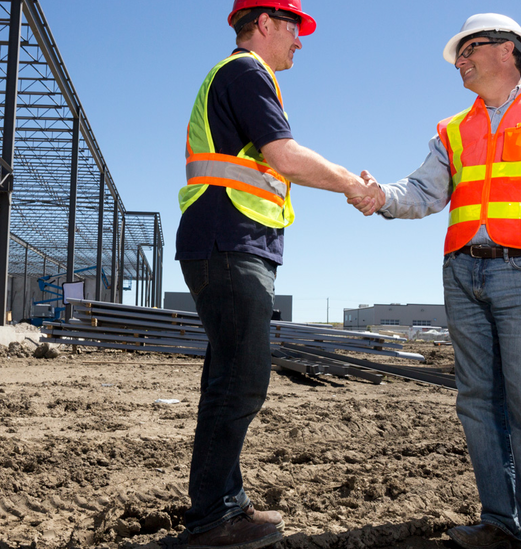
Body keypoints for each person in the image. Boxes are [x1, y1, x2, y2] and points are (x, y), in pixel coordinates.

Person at [351, 13, 521, 549]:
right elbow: (424, 192)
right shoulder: (453, 129)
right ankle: (502, 523)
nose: (460, 60)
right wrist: (380, 196)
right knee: (477, 401)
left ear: (508, 50)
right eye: (459, 52)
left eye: (469, 48)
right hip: (462, 270)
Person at [176, 2, 382, 548]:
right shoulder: (246, 72)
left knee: (230, 378)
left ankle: (223, 507)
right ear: (263, 24)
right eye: (294, 28)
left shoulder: (241, 76)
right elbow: (284, 157)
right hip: (227, 240)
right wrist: (351, 185)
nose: (300, 41)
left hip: (228, 240)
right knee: (240, 380)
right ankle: (214, 520)